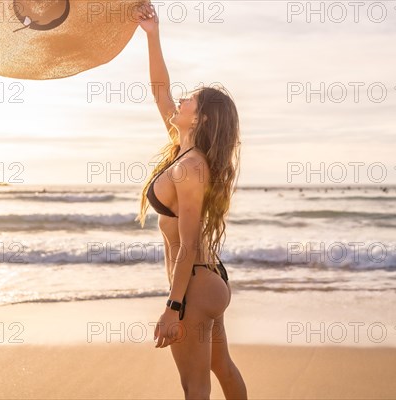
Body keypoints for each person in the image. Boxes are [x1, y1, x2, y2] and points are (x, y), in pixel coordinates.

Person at [133, 3, 247, 399]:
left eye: (190, 101)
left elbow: (188, 243)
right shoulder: (185, 149)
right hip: (207, 281)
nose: (179, 101)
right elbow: (160, 91)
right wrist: (152, 33)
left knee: (194, 386)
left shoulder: (191, 168)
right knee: (221, 369)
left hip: (194, 287)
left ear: (201, 120)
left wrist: (173, 307)